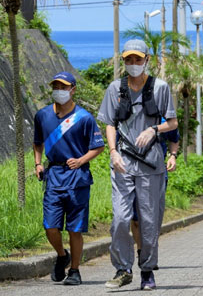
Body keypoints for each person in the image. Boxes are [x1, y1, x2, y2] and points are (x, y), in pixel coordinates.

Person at [97, 39, 177, 290]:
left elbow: (173, 124)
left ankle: (147, 271)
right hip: (123, 162)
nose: (133, 64)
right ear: (123, 61)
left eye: (137, 59)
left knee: (149, 220)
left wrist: (154, 129)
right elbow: (109, 123)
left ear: (147, 60)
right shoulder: (115, 89)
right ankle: (122, 269)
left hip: (152, 165)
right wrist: (112, 152)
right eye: (128, 60)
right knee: (120, 218)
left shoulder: (160, 87)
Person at [33, 72, 105, 285]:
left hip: (77, 178)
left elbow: (98, 146)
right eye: (56, 86)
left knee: (75, 228)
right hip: (54, 175)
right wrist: (38, 163)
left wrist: (81, 160)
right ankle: (61, 255)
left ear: (72, 89)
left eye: (63, 87)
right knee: (50, 226)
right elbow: (37, 142)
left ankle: (74, 270)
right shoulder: (42, 115)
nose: (59, 90)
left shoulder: (84, 118)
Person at [131, 118, 180, 267]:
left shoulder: (163, 120)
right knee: (135, 218)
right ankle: (141, 251)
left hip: (156, 171)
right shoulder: (129, 117)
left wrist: (173, 155)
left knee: (151, 217)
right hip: (132, 171)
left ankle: (149, 252)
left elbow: (174, 139)